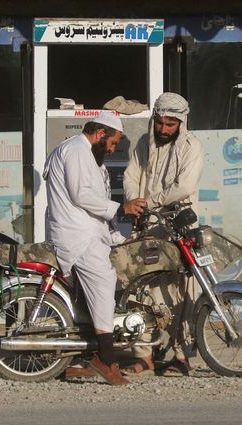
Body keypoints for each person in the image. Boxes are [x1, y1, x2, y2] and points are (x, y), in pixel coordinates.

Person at [43, 111, 145, 385]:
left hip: (89, 234)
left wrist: (118, 232)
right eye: (112, 143)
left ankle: (83, 359)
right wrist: (121, 208)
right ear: (100, 133)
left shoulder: (87, 155)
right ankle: (106, 359)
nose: (112, 149)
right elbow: (82, 195)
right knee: (103, 285)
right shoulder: (77, 150)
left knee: (92, 297)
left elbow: (94, 199)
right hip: (79, 237)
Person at [121, 92, 204, 377]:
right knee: (142, 290)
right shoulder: (144, 144)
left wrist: (150, 201)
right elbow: (131, 176)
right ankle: (144, 355)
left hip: (178, 226)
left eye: (171, 124)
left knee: (179, 291)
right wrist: (134, 201)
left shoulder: (192, 147)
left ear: (181, 123)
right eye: (160, 122)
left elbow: (184, 186)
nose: (164, 129)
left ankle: (181, 356)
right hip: (147, 225)